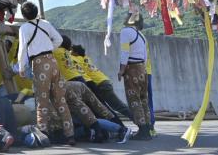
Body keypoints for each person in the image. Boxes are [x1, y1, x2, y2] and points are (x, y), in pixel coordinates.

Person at [17, 2, 74, 145]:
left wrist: (21, 67)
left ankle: (44, 133)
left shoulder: (24, 28)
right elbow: (59, 39)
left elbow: (23, 49)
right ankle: (70, 135)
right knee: (60, 99)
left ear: (23, 15)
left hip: (39, 64)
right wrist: (49, 49)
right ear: (36, 12)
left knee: (42, 99)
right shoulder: (46, 23)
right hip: (53, 61)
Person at [71, 44, 131, 119]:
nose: (70, 52)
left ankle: (138, 121)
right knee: (115, 106)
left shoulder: (75, 58)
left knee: (117, 106)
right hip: (104, 81)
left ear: (76, 53)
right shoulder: (86, 58)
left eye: (72, 51)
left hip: (100, 84)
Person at [118, 12, 152, 141]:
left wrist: (121, 70)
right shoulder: (141, 35)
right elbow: (144, 55)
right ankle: (147, 129)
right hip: (142, 69)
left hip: (132, 69)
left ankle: (142, 130)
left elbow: (124, 51)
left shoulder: (126, 32)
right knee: (143, 99)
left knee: (134, 99)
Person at [64, 81, 130, 144]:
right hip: (78, 85)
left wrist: (97, 130)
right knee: (98, 106)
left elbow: (84, 112)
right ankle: (117, 129)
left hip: (69, 90)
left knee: (87, 117)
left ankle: (121, 130)